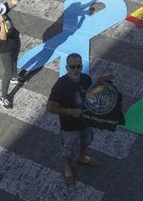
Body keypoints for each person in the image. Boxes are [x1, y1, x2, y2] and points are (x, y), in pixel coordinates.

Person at [46, 52, 112, 187]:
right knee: (68, 149)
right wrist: (70, 111)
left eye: (79, 66)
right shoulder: (61, 84)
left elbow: (90, 94)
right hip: (69, 125)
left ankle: (81, 157)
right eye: (72, 67)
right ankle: (68, 168)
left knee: (86, 140)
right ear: (66, 68)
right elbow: (50, 108)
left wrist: (99, 84)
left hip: (85, 121)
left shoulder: (86, 79)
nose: (76, 70)